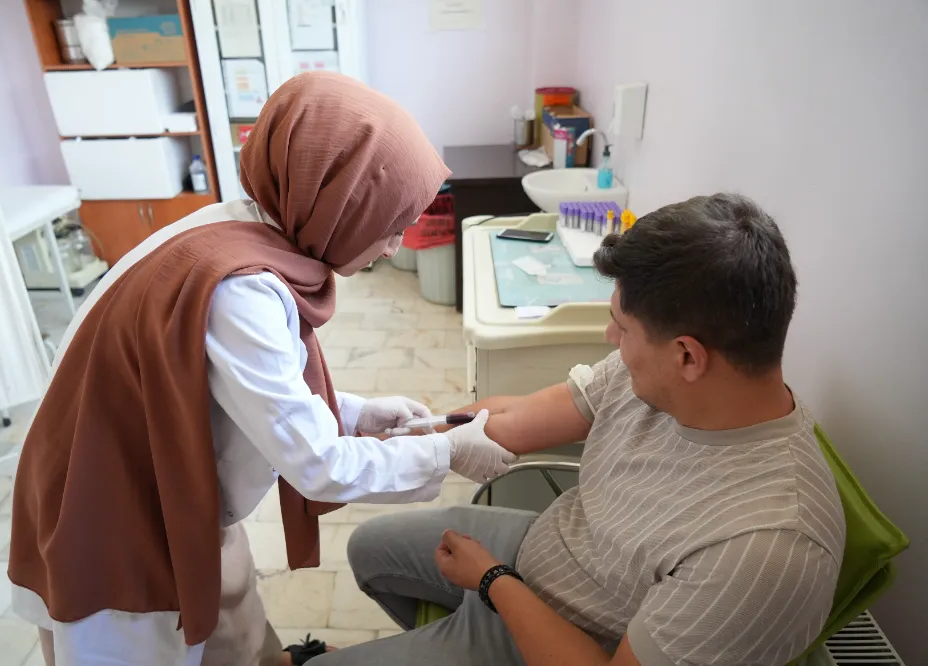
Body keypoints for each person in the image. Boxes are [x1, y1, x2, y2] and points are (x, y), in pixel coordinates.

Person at [7, 72, 515, 666]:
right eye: (390, 227)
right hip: (114, 504)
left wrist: (352, 412)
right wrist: (446, 453)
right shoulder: (240, 290)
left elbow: (239, 392)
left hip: (147, 468)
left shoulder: (239, 225)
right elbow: (318, 466)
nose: (394, 247)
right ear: (339, 207)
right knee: (148, 634)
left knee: (229, 612)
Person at [312, 193, 847, 666]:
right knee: (368, 548)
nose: (611, 337)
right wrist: (404, 436)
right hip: (549, 554)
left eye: (623, 326)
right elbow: (516, 418)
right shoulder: (666, 379)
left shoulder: (763, 550)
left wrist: (494, 583)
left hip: (566, 636)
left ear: (687, 355)